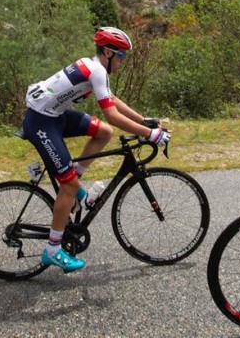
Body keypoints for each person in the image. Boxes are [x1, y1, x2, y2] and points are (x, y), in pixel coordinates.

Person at [23, 26, 170, 273]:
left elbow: (112, 99)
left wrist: (143, 121)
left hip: (53, 115)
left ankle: (76, 186)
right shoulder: (97, 70)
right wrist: (151, 134)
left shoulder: (94, 67)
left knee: (104, 132)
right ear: (107, 52)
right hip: (41, 122)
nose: (123, 61)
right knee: (67, 186)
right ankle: (52, 250)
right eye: (121, 56)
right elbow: (112, 114)